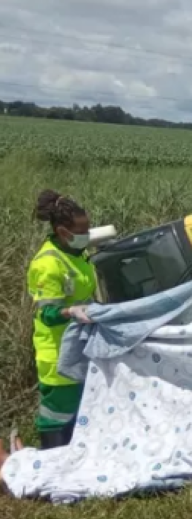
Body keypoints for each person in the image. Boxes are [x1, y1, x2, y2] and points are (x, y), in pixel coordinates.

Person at [27, 190, 98, 449]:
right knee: (57, 414)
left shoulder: (74, 252)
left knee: (78, 406)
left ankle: (70, 460)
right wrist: (71, 312)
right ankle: (50, 459)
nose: (86, 235)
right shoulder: (47, 264)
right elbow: (47, 315)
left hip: (77, 344)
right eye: (82, 231)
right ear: (62, 232)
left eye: (88, 228)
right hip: (56, 352)